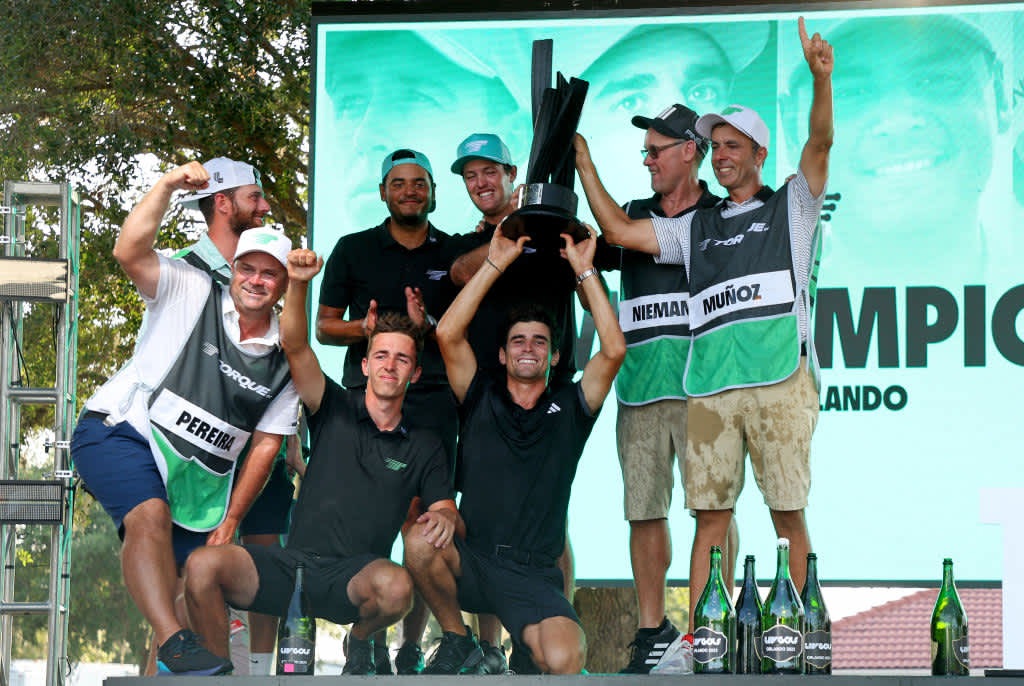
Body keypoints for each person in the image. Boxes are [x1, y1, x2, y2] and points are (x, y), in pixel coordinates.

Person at [575, 16, 833, 630]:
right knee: (710, 517)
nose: (722, 156)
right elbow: (616, 232)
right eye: (716, 146)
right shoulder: (696, 227)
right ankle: (704, 636)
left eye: (734, 145)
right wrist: (583, 159)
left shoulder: (792, 205)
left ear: (759, 153)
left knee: (786, 513)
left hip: (778, 382)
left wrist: (821, 81)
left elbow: (819, 147)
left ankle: (790, 632)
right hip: (711, 391)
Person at [70, 162, 300, 676]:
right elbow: (128, 251)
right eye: (247, 268)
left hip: (199, 474)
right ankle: (174, 643)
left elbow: (266, 446)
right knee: (146, 519)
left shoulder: (286, 355)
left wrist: (233, 520)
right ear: (232, 268)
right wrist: (168, 184)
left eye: (269, 273)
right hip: (121, 430)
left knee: (183, 591)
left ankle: (171, 659)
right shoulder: (189, 285)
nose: (255, 280)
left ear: (285, 284)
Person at [184, 248, 457, 676]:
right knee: (202, 565)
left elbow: (444, 508)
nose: (390, 365)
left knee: (397, 587)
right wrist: (299, 282)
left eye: (402, 359)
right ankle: (219, 675)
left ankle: (362, 641)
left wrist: (445, 519)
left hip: (355, 577)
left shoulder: (425, 444)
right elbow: (293, 343)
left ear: (414, 374)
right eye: (381, 356)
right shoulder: (332, 405)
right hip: (291, 568)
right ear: (365, 364)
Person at [403, 223, 626, 674]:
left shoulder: (572, 406)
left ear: (555, 356)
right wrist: (495, 262)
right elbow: (447, 334)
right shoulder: (480, 394)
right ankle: (458, 639)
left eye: (540, 342)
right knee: (420, 541)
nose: (528, 348)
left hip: (535, 576)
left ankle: (523, 654)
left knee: (564, 659)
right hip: (476, 564)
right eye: (518, 341)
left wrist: (585, 271)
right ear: (502, 355)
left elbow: (614, 349)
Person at [590, 104, 739, 672]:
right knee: (643, 511)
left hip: (708, 389)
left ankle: (715, 629)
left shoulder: (725, 215)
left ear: (690, 151)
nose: (648, 160)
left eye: (657, 150)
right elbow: (587, 252)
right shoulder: (629, 216)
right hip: (641, 386)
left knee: (713, 509)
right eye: (645, 152)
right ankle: (653, 632)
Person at [316, 148, 459, 673]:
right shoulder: (353, 249)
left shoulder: (455, 250)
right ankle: (369, 636)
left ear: (433, 193)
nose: (409, 191)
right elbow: (323, 328)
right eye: (398, 183)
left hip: (436, 398)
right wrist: (366, 331)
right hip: (367, 402)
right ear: (382, 192)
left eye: (419, 183)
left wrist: (433, 322)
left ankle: (411, 645)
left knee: (422, 527)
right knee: (372, 519)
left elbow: (465, 324)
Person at [174, 157, 297, 675]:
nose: (265, 206)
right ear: (221, 201)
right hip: (199, 449)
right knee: (187, 566)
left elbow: (284, 362)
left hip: (259, 446)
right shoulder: (184, 266)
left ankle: (262, 669)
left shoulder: (270, 270)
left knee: (263, 553)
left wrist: (291, 445)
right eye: (255, 197)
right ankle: (187, 664)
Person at [782, 14, 1007, 282]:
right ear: (791, 128)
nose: (898, 120)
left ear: (1000, 96)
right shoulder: (764, 318)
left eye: (937, 80)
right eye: (850, 94)